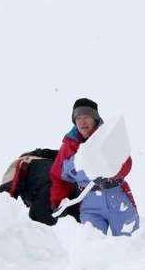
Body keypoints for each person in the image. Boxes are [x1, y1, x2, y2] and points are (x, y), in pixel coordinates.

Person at [50, 98, 139, 235]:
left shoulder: (109, 136)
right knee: (91, 247)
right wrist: (58, 200)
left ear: (95, 119)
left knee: (129, 245)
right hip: (89, 203)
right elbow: (58, 177)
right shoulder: (69, 146)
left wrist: (108, 170)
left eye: (86, 117)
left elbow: (126, 164)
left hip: (117, 198)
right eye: (78, 118)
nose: (82, 122)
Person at [0, 149, 80, 225]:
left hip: (47, 182)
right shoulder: (43, 156)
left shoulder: (20, 163)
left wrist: (3, 205)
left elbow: (6, 193)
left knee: (40, 217)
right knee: (80, 212)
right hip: (67, 180)